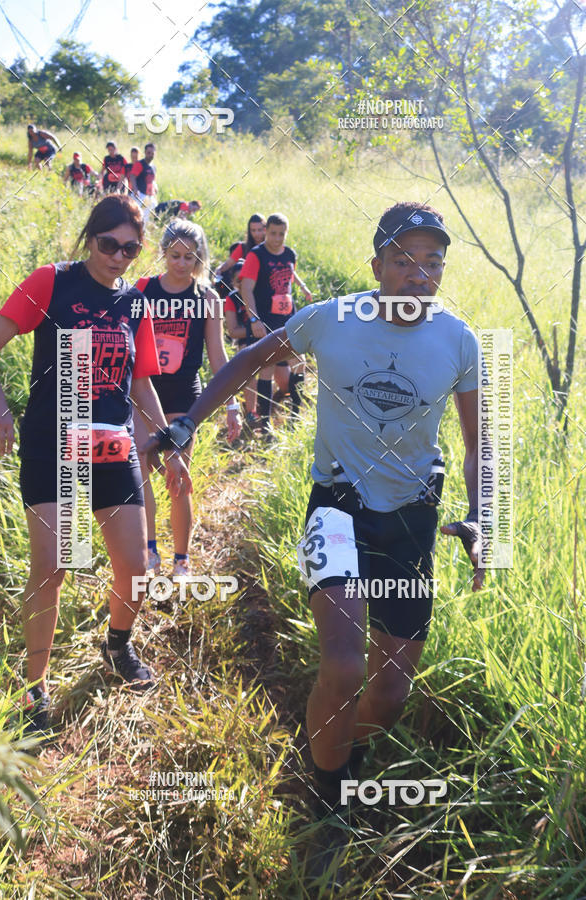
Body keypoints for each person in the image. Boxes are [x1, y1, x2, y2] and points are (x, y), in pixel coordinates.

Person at [142, 201, 484, 872]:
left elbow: (480, 446)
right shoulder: (332, 320)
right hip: (337, 508)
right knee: (344, 665)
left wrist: (485, 518)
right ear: (377, 264)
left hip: (412, 518)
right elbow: (246, 360)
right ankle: (327, 800)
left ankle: (336, 760)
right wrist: (186, 425)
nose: (421, 275)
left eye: (434, 262)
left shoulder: (460, 340)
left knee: (390, 690)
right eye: (406, 260)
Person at [0, 195, 189, 737]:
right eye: (108, 245)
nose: (118, 257)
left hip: (112, 448)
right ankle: (35, 685)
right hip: (54, 444)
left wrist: (166, 445)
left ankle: (116, 646)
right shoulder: (53, 282)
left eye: (130, 248)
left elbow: (141, 381)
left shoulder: (134, 304)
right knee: (53, 565)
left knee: (136, 571)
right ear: (90, 238)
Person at [133, 219, 241, 579]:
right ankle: (149, 552)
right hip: (144, 393)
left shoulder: (207, 298)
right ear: (163, 253)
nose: (182, 263)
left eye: (190, 257)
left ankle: (181, 559)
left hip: (183, 398)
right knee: (141, 471)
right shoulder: (142, 290)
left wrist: (231, 404)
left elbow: (217, 355)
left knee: (177, 474)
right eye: (175, 255)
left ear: (199, 258)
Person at [239, 212, 312, 432]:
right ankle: (265, 422)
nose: (277, 238)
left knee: (299, 363)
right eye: (273, 233)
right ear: (266, 232)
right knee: (267, 370)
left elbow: (289, 279)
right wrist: (254, 319)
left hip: (288, 319)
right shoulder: (256, 255)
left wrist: (303, 289)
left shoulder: (290, 254)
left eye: (281, 234)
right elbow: (246, 289)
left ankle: (295, 416)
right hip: (264, 320)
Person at [223, 259, 260, 429]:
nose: (242, 284)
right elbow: (233, 331)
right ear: (233, 282)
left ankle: (277, 399)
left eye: (245, 279)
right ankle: (251, 411)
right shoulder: (232, 299)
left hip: (265, 337)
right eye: (239, 281)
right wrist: (255, 329)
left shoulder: (259, 293)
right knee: (249, 369)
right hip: (247, 341)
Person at [214, 213, 266, 297]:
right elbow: (227, 264)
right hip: (245, 288)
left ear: (265, 230)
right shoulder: (243, 247)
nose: (256, 234)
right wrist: (219, 269)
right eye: (253, 230)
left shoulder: (270, 248)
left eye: (259, 230)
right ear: (249, 231)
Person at [128, 142, 157, 224]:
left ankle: (142, 234)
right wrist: (135, 189)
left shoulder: (153, 167)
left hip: (149, 196)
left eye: (152, 153)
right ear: (145, 152)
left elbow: (152, 181)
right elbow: (132, 176)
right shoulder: (139, 164)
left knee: (145, 218)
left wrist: (154, 190)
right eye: (148, 153)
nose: (150, 155)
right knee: (134, 216)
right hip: (139, 194)